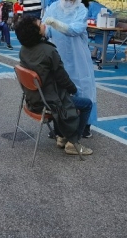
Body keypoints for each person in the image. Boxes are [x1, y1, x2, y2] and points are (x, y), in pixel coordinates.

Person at [17, 15, 94, 156]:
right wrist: (74, 89)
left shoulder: (23, 50)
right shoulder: (49, 51)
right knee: (86, 104)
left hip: (32, 99)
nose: (44, 24)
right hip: (48, 102)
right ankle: (73, 142)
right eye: (40, 24)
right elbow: (63, 78)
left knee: (62, 95)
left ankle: (61, 136)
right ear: (35, 31)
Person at [42, 0, 98, 139]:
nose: (67, 2)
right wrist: (45, 29)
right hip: (58, 54)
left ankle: (85, 125)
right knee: (60, 89)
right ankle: (59, 126)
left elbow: (75, 29)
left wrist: (57, 24)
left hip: (78, 56)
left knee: (83, 87)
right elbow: (46, 28)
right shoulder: (53, 7)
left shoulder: (81, 9)